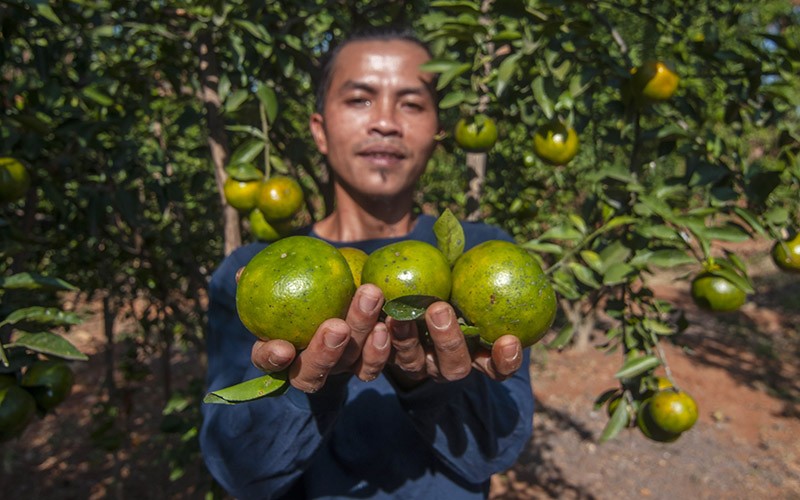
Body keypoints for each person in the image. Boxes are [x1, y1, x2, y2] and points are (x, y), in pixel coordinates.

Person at [200, 26, 536, 499]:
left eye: (412, 103)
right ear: (319, 129)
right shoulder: (251, 271)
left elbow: (497, 447)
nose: (385, 122)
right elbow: (238, 470)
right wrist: (303, 388)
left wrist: (430, 386)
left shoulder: (479, 259)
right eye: (360, 99)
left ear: (437, 130)